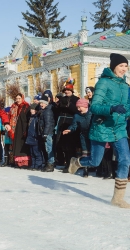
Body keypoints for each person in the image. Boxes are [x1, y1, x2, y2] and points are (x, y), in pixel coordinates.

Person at [68, 53, 130, 208]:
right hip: (102, 126)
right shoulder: (103, 82)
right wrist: (112, 108)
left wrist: (126, 112)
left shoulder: (124, 85)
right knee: (95, 161)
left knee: (125, 160)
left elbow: (127, 106)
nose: (124, 69)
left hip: (119, 128)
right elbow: (94, 106)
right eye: (122, 66)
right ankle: (77, 162)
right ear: (114, 66)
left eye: (126, 66)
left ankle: (118, 198)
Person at [55, 78, 80, 172]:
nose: (67, 92)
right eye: (65, 90)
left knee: (71, 146)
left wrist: (68, 105)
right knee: (63, 146)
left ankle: (72, 165)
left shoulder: (76, 99)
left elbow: (77, 111)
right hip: (62, 124)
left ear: (72, 91)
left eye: (68, 90)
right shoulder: (63, 99)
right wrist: (57, 105)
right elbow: (58, 112)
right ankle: (67, 164)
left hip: (71, 124)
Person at [63, 98, 92, 177]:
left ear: (85, 106)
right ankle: (85, 170)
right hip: (83, 135)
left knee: (94, 152)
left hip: (93, 135)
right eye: (77, 107)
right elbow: (74, 125)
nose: (78, 109)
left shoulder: (92, 113)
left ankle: (98, 169)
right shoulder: (77, 115)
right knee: (85, 153)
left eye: (80, 107)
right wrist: (69, 129)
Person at [9, 93, 30, 168]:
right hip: (15, 129)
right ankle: (17, 162)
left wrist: (26, 128)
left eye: (19, 98)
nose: (17, 100)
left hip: (23, 128)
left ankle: (24, 162)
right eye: (16, 98)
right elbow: (10, 116)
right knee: (16, 145)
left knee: (23, 145)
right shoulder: (13, 106)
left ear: (22, 98)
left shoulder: (26, 106)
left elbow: (27, 118)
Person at [38, 94, 55, 172]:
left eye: (42, 103)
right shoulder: (44, 111)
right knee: (47, 148)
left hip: (48, 133)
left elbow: (48, 123)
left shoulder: (47, 111)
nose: (41, 104)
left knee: (49, 148)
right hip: (45, 132)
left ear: (46, 103)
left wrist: (45, 133)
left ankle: (51, 164)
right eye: (40, 103)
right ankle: (48, 163)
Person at [26, 103, 43, 171]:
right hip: (30, 137)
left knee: (37, 152)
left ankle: (38, 165)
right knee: (32, 153)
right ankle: (33, 165)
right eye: (31, 109)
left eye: (33, 109)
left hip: (35, 138)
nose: (31, 111)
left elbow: (37, 129)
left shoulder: (37, 118)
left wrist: (36, 135)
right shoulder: (31, 118)